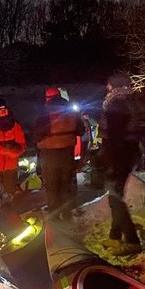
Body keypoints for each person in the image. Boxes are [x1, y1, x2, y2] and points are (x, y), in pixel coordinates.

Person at [99, 73, 142, 255]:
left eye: (109, 86)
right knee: (114, 196)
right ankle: (114, 237)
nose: (107, 89)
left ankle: (132, 241)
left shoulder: (116, 104)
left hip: (119, 154)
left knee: (115, 198)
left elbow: (116, 136)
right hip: (129, 152)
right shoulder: (131, 101)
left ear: (115, 87)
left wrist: (110, 162)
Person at [35, 86, 82, 219]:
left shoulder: (44, 112)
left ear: (48, 97)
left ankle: (55, 215)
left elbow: (37, 134)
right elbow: (81, 130)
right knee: (65, 184)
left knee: (51, 185)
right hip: (67, 152)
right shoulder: (70, 111)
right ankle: (67, 213)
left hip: (49, 154)